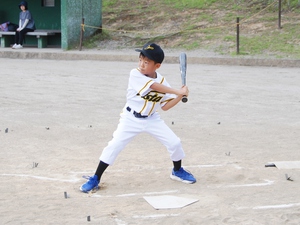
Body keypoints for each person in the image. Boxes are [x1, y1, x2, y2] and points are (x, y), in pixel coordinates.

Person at [80, 43, 196, 193]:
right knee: (114, 146)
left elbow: (165, 106)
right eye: (141, 59)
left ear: (157, 66)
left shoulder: (163, 82)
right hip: (130, 119)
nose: (141, 64)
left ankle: (177, 170)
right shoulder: (135, 74)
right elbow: (153, 86)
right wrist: (177, 90)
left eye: (146, 62)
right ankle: (96, 178)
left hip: (152, 119)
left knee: (174, 142)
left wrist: (180, 96)